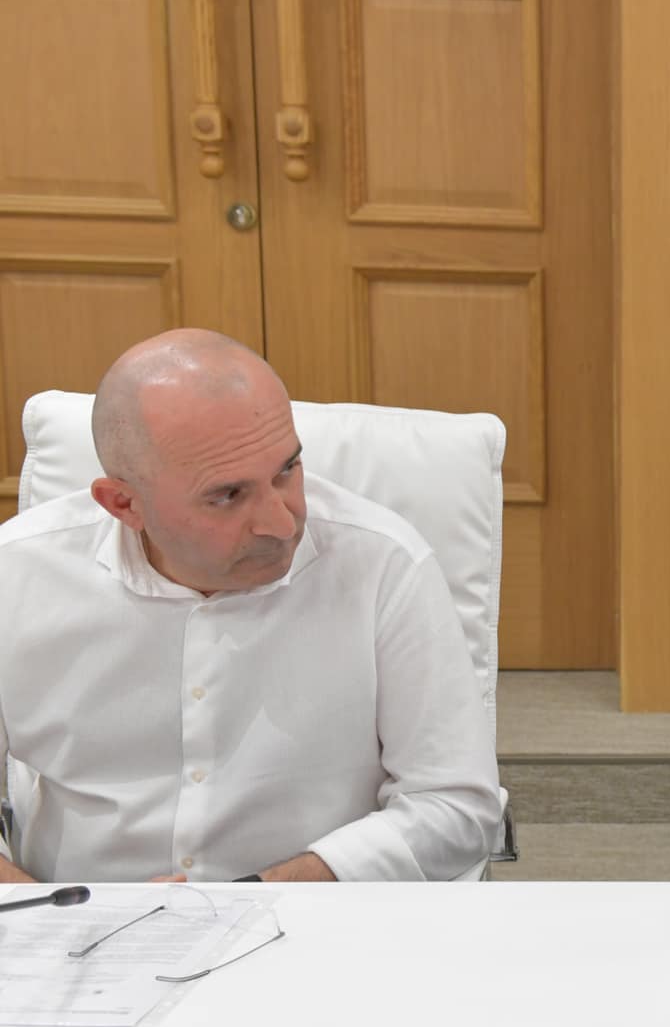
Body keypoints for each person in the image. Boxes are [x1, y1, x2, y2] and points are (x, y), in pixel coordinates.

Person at [0, 329, 501, 883]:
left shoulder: (383, 563)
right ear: (123, 503)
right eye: (227, 496)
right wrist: (52, 913)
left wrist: (259, 896)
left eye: (287, 469)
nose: (282, 524)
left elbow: (457, 805)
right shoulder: (16, 575)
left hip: (314, 917)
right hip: (70, 921)